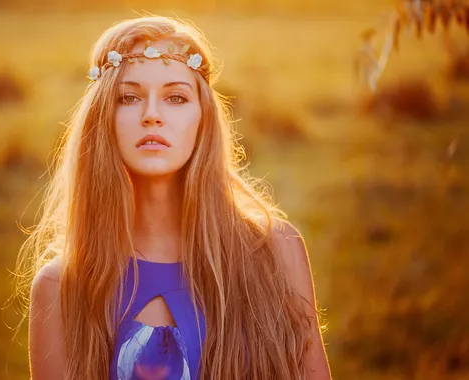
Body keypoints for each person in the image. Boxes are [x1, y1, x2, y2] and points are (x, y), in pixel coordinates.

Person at [17, 15, 332, 380]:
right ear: (102, 117)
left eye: (175, 97)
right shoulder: (60, 287)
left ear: (203, 120)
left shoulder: (276, 252)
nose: (152, 115)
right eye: (129, 97)